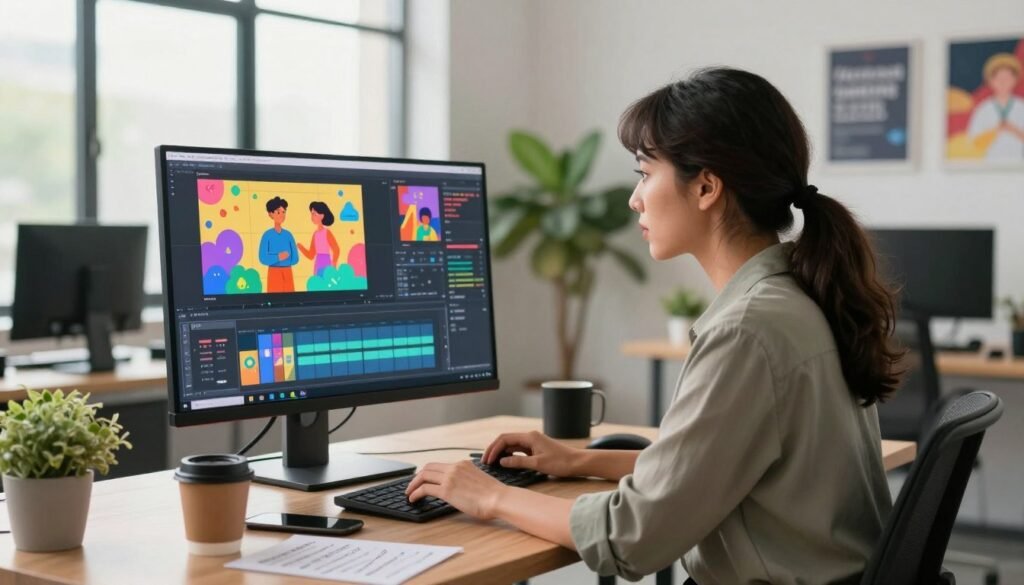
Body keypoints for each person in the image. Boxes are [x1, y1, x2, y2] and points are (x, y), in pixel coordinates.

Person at [405, 67, 903, 584]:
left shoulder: (749, 331)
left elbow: (632, 537)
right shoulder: (796, 297)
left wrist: (488, 495)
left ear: (707, 185)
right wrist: (579, 461)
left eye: (645, 173)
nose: (634, 199)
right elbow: (705, 471)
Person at [967, 53, 1024, 160]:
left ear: (1015, 80)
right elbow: (974, 142)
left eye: (1007, 78)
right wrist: (995, 130)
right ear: (990, 82)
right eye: (998, 78)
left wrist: (1014, 130)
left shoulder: (1021, 107)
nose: (1003, 82)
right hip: (991, 163)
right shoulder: (983, 109)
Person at [258, 196, 298, 292]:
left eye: (284, 212)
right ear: (270, 214)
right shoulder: (267, 235)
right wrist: (278, 257)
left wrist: (287, 260)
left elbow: (295, 258)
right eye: (278, 212)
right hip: (274, 273)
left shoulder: (288, 235)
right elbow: (263, 258)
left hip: (288, 272)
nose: (282, 215)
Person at [297, 201, 340, 276]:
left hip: (326, 263)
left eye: (314, 214)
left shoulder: (327, 232)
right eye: (311, 214)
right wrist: (300, 247)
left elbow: (336, 249)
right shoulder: (315, 234)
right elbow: (311, 255)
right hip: (318, 264)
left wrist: (333, 265)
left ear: (322, 216)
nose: (312, 217)